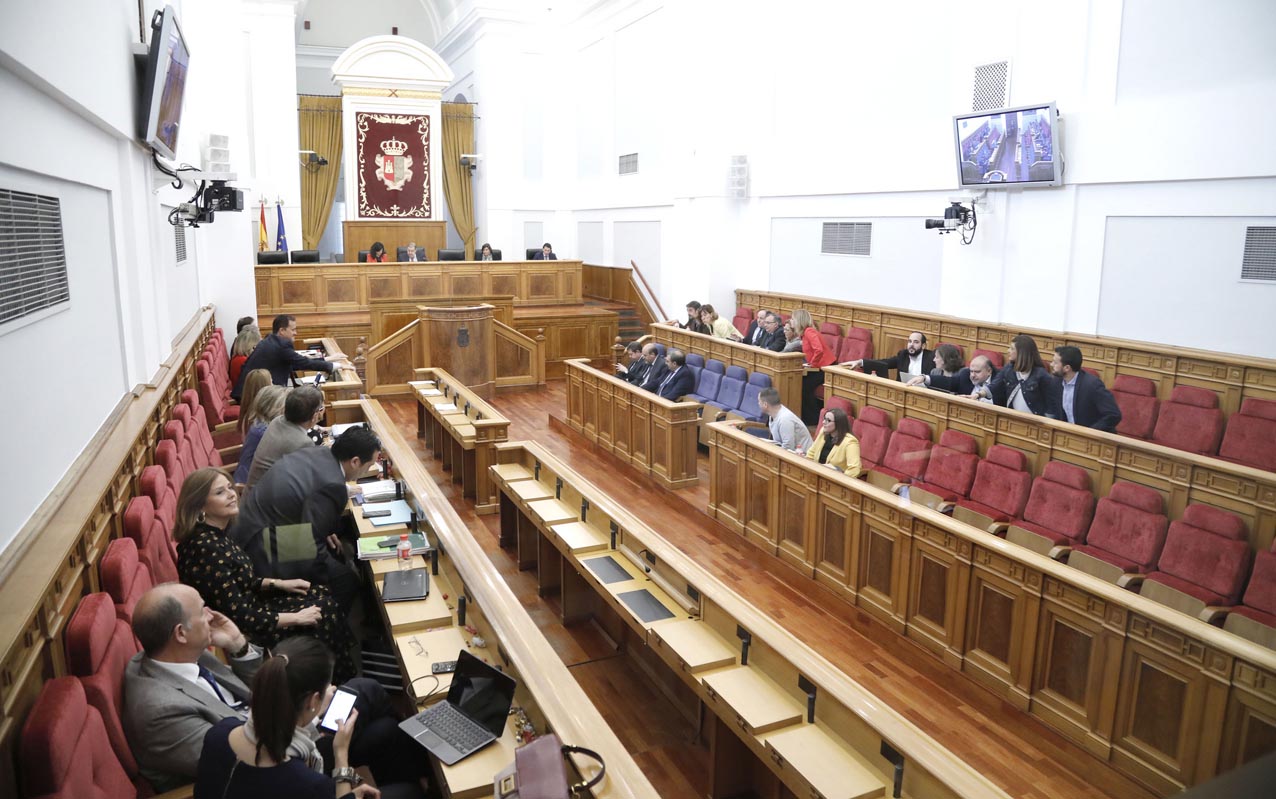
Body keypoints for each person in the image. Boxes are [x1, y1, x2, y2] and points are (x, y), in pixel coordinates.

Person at [122, 585, 417, 794]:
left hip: (274, 730)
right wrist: (307, 719)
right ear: (180, 633)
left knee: (387, 732)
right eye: (202, 611)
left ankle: (424, 771)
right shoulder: (158, 711)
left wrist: (238, 645)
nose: (212, 614)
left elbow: (257, 688)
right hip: (279, 761)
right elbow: (245, 761)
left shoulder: (175, 654)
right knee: (365, 690)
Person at [173, 468, 356, 681]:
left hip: (255, 596)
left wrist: (278, 584)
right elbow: (239, 614)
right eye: (220, 492)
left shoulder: (217, 533)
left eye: (230, 488)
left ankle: (338, 678)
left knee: (319, 592)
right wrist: (295, 618)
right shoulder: (205, 549)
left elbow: (240, 581)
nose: (232, 494)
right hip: (245, 625)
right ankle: (332, 684)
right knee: (325, 607)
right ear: (200, 506)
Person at [232, 427, 382, 612]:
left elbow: (306, 510)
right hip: (265, 547)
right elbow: (310, 544)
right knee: (346, 580)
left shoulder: (318, 452)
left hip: (256, 527)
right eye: (369, 466)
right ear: (355, 461)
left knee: (336, 549)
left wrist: (323, 532)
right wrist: (322, 578)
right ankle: (326, 631)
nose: (368, 470)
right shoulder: (333, 485)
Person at [232, 314, 340, 400]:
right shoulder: (281, 345)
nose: (295, 333)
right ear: (282, 331)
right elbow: (302, 363)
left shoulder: (271, 340)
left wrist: (328, 360)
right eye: (293, 330)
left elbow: (294, 363)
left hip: (248, 393)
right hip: (254, 397)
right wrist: (335, 366)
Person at [246, 385, 325, 490]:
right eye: (321, 408)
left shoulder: (277, 421)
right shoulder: (302, 442)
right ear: (315, 416)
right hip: (267, 502)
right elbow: (310, 480)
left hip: (256, 495)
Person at [1051, 345, 1122, 432]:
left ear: (1067, 368)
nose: (1051, 364)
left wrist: (1090, 432)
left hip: (1094, 438)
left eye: (1055, 362)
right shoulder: (1056, 382)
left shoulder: (1092, 385)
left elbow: (1113, 415)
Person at [990, 334, 1061, 418]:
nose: (1008, 350)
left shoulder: (1041, 375)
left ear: (1021, 352)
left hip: (1034, 422)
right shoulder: (1009, 368)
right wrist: (979, 394)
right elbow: (995, 384)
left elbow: (1051, 404)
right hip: (1012, 417)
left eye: (1012, 348)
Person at [235, 386, 287, 485]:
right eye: (284, 407)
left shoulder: (261, 423)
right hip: (250, 486)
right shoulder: (264, 431)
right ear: (274, 408)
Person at [792, 309, 835, 425]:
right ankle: (807, 416)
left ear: (799, 321)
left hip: (827, 368)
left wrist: (813, 364)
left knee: (805, 386)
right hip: (818, 367)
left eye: (793, 319)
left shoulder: (809, 332)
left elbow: (819, 350)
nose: (792, 321)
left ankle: (814, 418)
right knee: (800, 382)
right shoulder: (804, 334)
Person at [847, 332, 935, 383]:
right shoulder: (903, 355)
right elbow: (885, 363)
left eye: (916, 342)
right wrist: (861, 362)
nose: (911, 345)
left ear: (923, 346)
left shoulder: (931, 357)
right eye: (909, 341)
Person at [912, 354, 997, 402]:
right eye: (971, 371)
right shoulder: (965, 374)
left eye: (977, 372)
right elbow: (948, 382)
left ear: (989, 371)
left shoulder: (999, 380)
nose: (973, 375)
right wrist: (924, 378)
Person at [806, 407, 861, 478]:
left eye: (828, 420)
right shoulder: (823, 432)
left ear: (838, 423)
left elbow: (854, 469)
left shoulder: (850, 442)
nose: (823, 422)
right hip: (817, 475)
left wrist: (839, 480)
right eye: (824, 419)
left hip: (834, 480)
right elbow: (811, 453)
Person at [758, 387, 812, 453]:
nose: (758, 404)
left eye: (759, 402)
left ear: (765, 405)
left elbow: (788, 447)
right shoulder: (772, 415)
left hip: (802, 456)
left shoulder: (785, 419)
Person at [237, 368, 274, 438]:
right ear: (264, 388)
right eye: (271, 382)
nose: (274, 385)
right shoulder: (258, 419)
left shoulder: (249, 411)